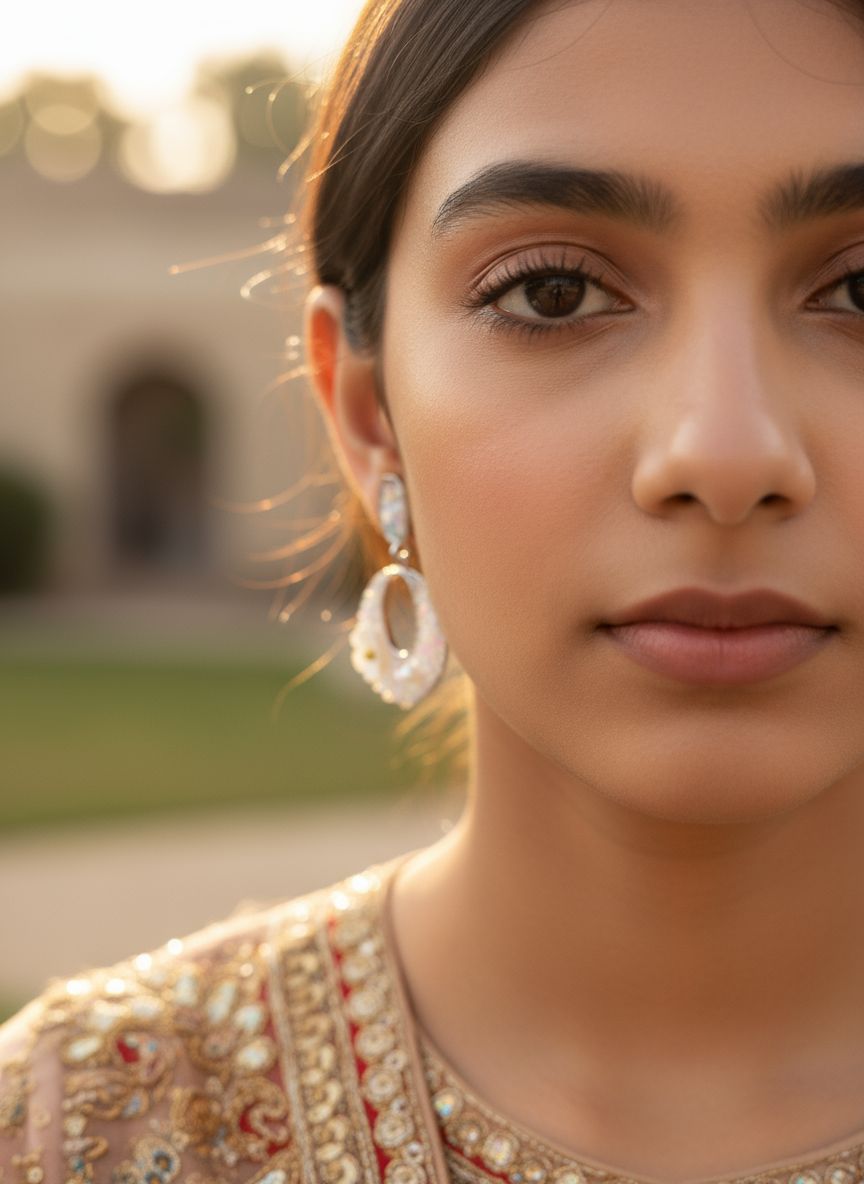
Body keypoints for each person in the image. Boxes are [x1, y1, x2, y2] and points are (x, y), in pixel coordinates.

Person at [6, 0, 864, 1180]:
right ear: (370, 417)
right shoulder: (88, 1131)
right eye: (553, 293)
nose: (724, 453)